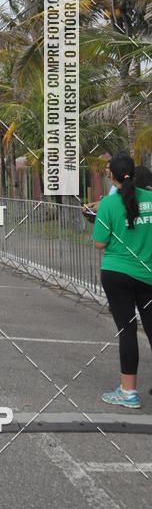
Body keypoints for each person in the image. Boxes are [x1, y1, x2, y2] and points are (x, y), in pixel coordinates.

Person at [92, 152, 152, 409]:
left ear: (111, 174)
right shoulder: (150, 199)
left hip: (117, 275)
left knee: (127, 331)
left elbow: (99, 243)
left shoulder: (107, 204)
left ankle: (128, 393)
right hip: (148, 275)